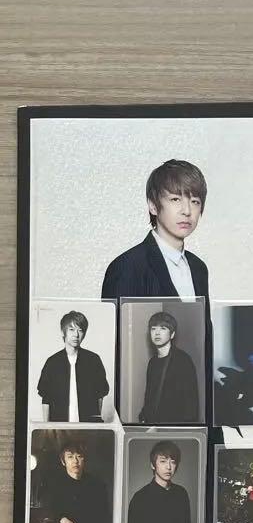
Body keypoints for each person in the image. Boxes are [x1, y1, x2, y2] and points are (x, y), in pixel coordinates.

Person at [102, 160, 210, 299]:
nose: (187, 211)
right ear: (153, 206)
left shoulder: (199, 268)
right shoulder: (127, 266)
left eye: (195, 201)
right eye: (175, 199)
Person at [34, 436, 112, 523]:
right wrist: (62, 519)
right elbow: (47, 505)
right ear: (63, 461)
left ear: (84, 459)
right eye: (70, 457)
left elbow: (103, 517)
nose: (75, 461)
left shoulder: (97, 485)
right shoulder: (54, 483)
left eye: (79, 456)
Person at [36, 310, 110, 422]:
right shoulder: (52, 363)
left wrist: (97, 425)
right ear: (63, 332)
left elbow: (100, 394)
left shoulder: (93, 360)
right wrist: (46, 427)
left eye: (80, 330)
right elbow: (46, 398)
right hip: (59, 426)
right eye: (71, 329)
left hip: (88, 426)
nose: (76, 335)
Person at [126, 440, 193, 523]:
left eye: (173, 462)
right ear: (153, 465)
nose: (169, 467)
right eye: (163, 461)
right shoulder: (140, 498)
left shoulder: (182, 493)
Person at [138, 310, 201, 424]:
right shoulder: (152, 362)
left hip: (175, 427)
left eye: (163, 328)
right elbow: (149, 397)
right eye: (153, 329)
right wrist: (143, 417)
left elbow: (191, 404)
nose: (157, 333)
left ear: (172, 334)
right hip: (154, 425)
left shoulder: (183, 360)